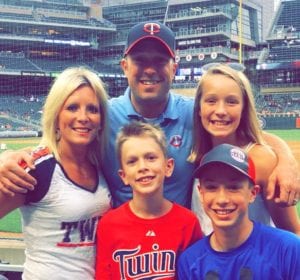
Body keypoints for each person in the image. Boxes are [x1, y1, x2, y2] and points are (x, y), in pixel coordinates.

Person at [0, 21, 299, 209]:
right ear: (124, 66)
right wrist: (15, 156)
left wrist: (285, 160)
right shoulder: (105, 115)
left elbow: (247, 136)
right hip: (124, 250)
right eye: (140, 60)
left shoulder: (193, 113)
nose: (150, 69)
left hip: (182, 248)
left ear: (175, 67)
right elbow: (60, 141)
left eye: (160, 60)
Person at [0, 67, 111, 279]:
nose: (83, 117)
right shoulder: (36, 168)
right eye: (72, 107)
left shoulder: (102, 165)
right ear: (56, 115)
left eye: (92, 109)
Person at [188, 64, 300, 235]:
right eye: (211, 101)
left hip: (254, 260)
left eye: (232, 102)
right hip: (206, 258)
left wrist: (285, 157)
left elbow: (292, 233)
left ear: (244, 108)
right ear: (199, 108)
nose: (221, 111)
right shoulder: (195, 154)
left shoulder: (261, 160)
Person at [95, 121, 202, 279]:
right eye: (132, 161)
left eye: (151, 157)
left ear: (168, 166)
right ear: (123, 176)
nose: (142, 167)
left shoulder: (188, 222)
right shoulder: (109, 224)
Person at [177, 143, 300, 280]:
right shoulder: (190, 261)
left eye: (233, 187)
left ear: (253, 193)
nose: (222, 199)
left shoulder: (287, 249)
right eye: (211, 187)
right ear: (201, 193)